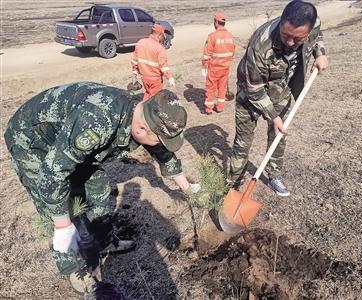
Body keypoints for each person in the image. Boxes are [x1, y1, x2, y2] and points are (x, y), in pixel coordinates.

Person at [4, 82, 199, 293]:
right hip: (33, 140)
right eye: (159, 139)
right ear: (142, 129)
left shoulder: (139, 113)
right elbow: (52, 174)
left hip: (68, 139)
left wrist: (186, 186)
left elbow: (162, 151)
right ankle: (75, 269)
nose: (159, 144)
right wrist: (62, 225)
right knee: (60, 210)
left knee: (99, 190)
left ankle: (104, 241)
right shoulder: (98, 121)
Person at [227, 0, 329, 196]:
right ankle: (233, 184)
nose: (290, 43)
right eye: (286, 35)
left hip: (281, 89)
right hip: (249, 93)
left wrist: (320, 53)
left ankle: (273, 175)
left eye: (298, 39)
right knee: (243, 141)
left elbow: (317, 36)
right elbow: (254, 88)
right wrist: (273, 117)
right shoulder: (260, 45)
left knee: (278, 136)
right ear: (281, 22)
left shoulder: (313, 24)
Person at [201, 12, 236, 114]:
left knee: (211, 87)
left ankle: (209, 108)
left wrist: (204, 66)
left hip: (214, 68)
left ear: (216, 22)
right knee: (222, 88)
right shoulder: (230, 36)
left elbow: (207, 54)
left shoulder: (212, 36)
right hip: (225, 68)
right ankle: (220, 107)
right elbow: (233, 52)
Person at [131, 24, 175, 101]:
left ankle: (144, 107)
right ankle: (148, 111)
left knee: (148, 92)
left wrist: (134, 73)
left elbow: (135, 60)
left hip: (144, 77)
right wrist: (170, 78)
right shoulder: (159, 48)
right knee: (155, 99)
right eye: (162, 36)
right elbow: (163, 66)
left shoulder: (140, 43)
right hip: (155, 79)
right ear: (159, 35)